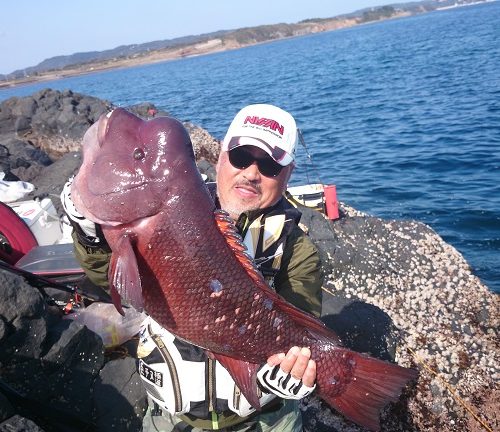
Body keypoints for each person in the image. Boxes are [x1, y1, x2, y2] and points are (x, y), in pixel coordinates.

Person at [61, 104, 323, 431]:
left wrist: (291, 370)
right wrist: (90, 236)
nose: (252, 173)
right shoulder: (162, 204)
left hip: (265, 420)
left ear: (288, 173)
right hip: (170, 419)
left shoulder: (296, 249)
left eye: (269, 165)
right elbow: (112, 279)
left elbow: (300, 320)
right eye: (242, 157)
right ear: (221, 156)